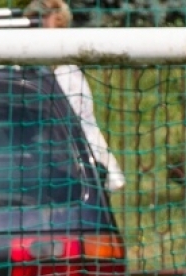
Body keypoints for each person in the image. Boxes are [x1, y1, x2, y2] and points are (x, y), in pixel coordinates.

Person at [27, 0, 127, 192]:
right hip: (43, 162)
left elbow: (77, 123)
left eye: (43, 17)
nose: (37, 24)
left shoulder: (67, 73)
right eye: (34, 18)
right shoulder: (25, 68)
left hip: (73, 163)